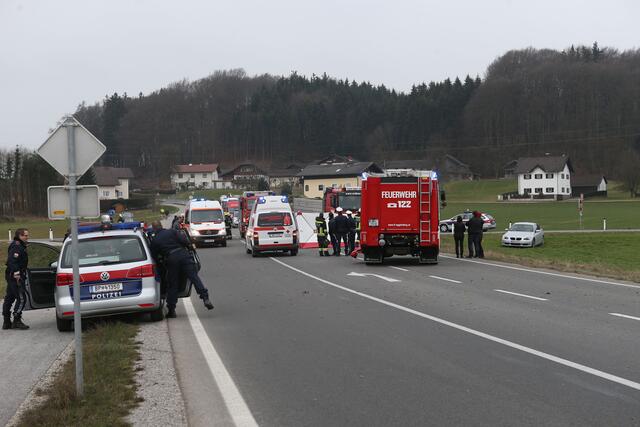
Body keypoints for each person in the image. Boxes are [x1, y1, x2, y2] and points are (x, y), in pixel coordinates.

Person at [150, 221, 213, 318]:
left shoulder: (155, 240)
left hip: (171, 259)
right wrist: (189, 247)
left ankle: (171, 310)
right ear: (161, 226)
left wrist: (161, 263)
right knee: (194, 278)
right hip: (184, 255)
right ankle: (205, 298)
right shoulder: (172, 231)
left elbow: (154, 256)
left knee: (173, 284)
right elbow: (185, 241)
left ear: (154, 229)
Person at [3, 228, 30, 330]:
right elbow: (12, 261)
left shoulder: (18, 245)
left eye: (27, 235)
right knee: (22, 298)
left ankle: (6, 322)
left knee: (9, 297)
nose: (27, 237)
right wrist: (17, 274)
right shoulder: (17, 246)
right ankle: (16, 320)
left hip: (11, 275)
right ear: (20, 235)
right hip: (15, 276)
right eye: (25, 235)